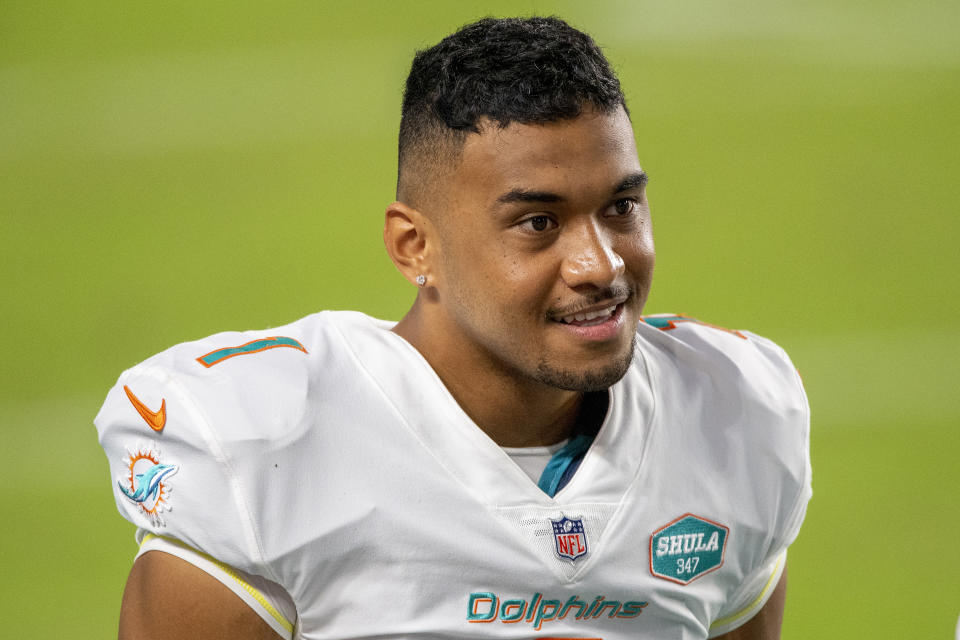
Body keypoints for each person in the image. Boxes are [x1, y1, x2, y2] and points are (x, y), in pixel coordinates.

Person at [96, 16, 811, 639]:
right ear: (416, 247)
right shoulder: (261, 445)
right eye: (539, 223)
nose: (600, 264)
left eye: (621, 207)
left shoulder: (733, 415)